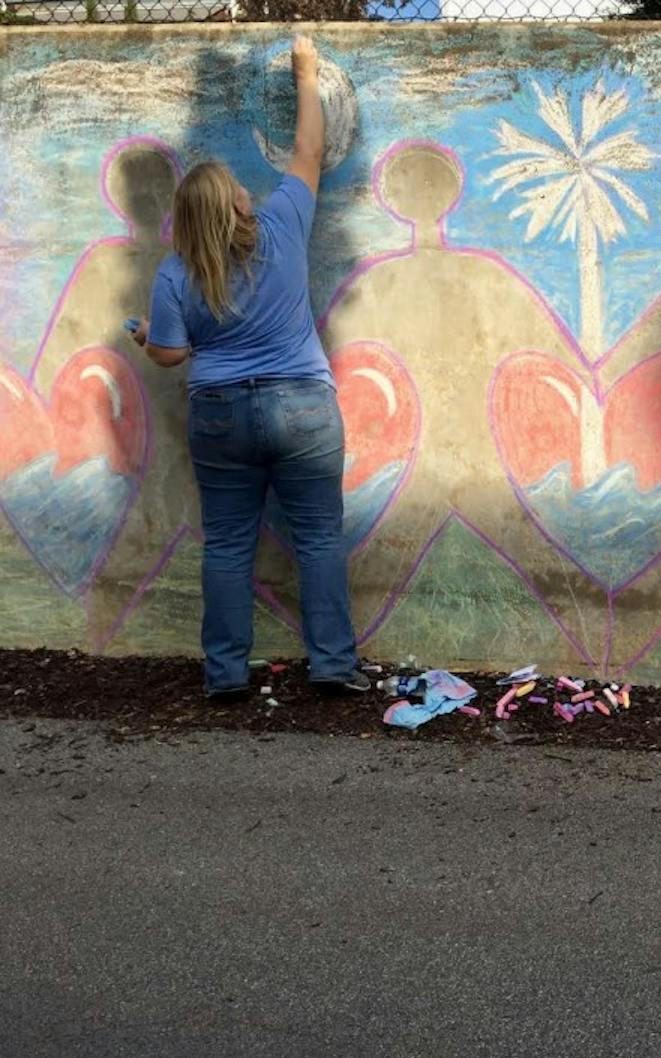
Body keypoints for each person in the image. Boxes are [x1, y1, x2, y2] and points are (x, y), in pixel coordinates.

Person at [129, 35, 368, 699]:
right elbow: (309, 150)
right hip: (303, 407)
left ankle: (226, 674)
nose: (245, 187)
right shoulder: (284, 223)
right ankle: (333, 664)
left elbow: (171, 353)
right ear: (236, 204)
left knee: (228, 545)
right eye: (237, 185)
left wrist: (148, 337)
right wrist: (305, 73)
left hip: (220, 414)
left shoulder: (175, 273)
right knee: (319, 539)